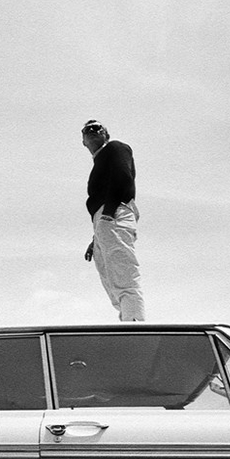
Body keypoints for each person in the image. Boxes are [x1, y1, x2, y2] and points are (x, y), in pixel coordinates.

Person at [80, 120, 145, 321]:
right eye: (87, 130)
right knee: (110, 279)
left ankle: (136, 325)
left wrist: (108, 214)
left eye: (97, 128)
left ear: (106, 135)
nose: (92, 131)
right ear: (83, 141)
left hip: (114, 213)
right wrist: (96, 238)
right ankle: (128, 320)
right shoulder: (100, 161)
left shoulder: (115, 148)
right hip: (106, 219)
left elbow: (122, 178)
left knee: (123, 274)